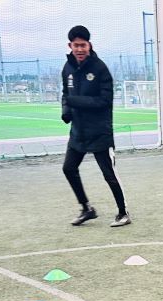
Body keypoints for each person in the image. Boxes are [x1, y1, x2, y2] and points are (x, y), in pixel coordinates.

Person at [60, 25, 130, 227]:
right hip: (78, 132)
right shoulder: (67, 68)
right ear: (70, 46)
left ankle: (123, 213)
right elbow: (66, 94)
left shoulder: (100, 69)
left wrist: (75, 102)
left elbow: (104, 101)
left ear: (89, 45)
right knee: (68, 168)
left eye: (83, 45)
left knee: (109, 174)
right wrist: (66, 110)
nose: (79, 49)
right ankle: (86, 209)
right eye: (76, 45)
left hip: (100, 132)